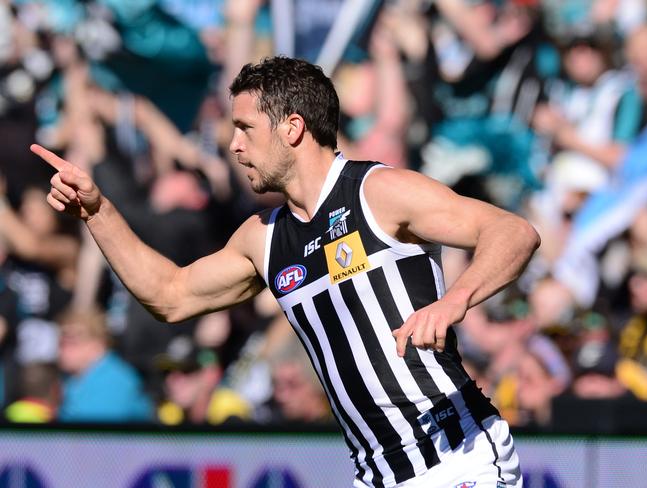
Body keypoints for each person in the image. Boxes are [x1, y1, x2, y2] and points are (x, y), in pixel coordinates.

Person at [32, 56, 539, 487]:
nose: (233, 145)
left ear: (292, 127)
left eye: (245, 129)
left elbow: (513, 232)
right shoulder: (264, 237)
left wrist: (455, 301)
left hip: (457, 459)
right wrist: (98, 212)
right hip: (377, 475)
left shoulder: (377, 193)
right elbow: (170, 296)